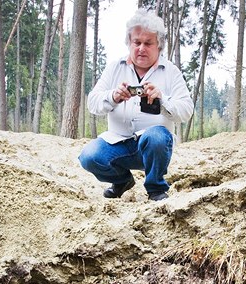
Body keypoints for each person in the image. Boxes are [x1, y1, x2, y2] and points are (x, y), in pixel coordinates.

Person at [78, 8, 194, 201]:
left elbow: (186, 111)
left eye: (148, 43)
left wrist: (162, 98)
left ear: (159, 46)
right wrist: (113, 96)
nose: (141, 48)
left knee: (156, 136)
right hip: (117, 144)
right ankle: (122, 181)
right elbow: (93, 102)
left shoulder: (171, 72)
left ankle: (155, 187)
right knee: (88, 156)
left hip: (154, 146)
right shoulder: (115, 67)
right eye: (137, 42)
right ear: (128, 43)